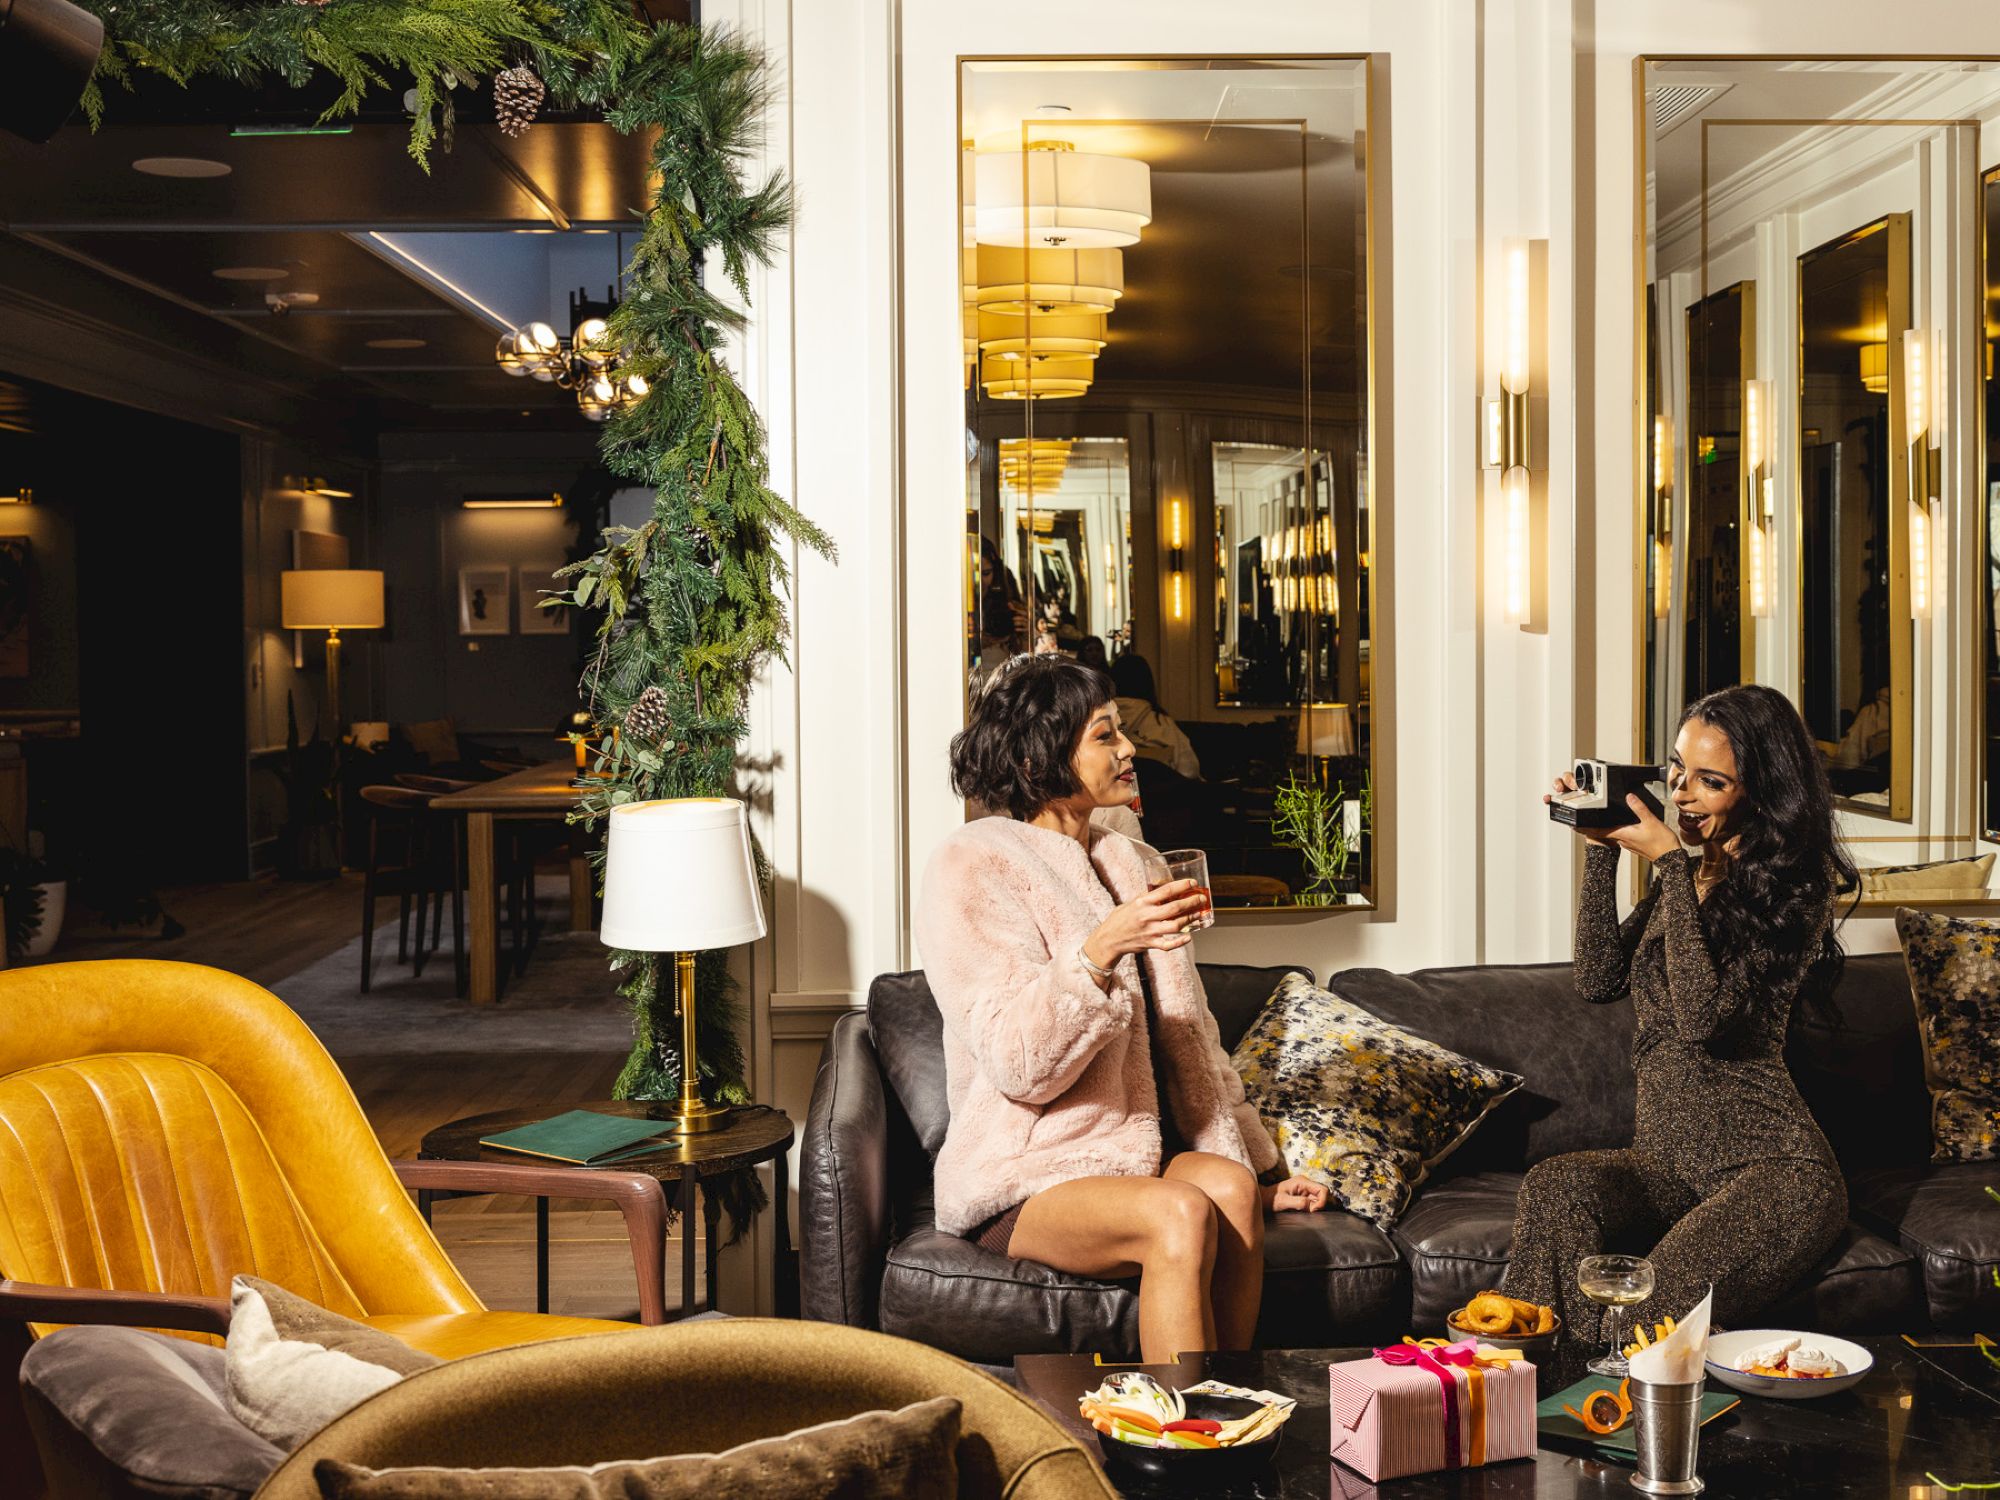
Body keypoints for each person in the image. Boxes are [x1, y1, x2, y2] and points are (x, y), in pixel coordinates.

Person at [915, 654, 1326, 1362]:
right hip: (1025, 1175)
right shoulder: (971, 863)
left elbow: (1193, 1040)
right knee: (1179, 1210)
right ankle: (1179, 1442)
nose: (1129, 748)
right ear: (1042, 752)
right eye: (1105, 735)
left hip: (1134, 1158)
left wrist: (1261, 1170)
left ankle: (1230, 1417)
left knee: (1224, 1188)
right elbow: (1019, 1064)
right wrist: (1098, 952)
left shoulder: (1134, 862)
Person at [1501, 684, 1857, 1382]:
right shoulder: (1689, 876)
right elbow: (1599, 979)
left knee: (1642, 1314)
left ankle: (1601, 1414)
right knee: (1555, 1187)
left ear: (1763, 789)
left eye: (1711, 781)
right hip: (1669, 1168)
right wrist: (1602, 851)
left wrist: (1666, 863)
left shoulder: (1795, 889)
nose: (1684, 795)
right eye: (1676, 772)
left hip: (1774, 1177)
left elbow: (1700, 1021)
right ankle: (1533, 1394)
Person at [1110, 652, 1201, 780]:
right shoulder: (1161, 722)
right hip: (1162, 795)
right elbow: (1189, 768)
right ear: (1147, 683)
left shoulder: (1100, 722)